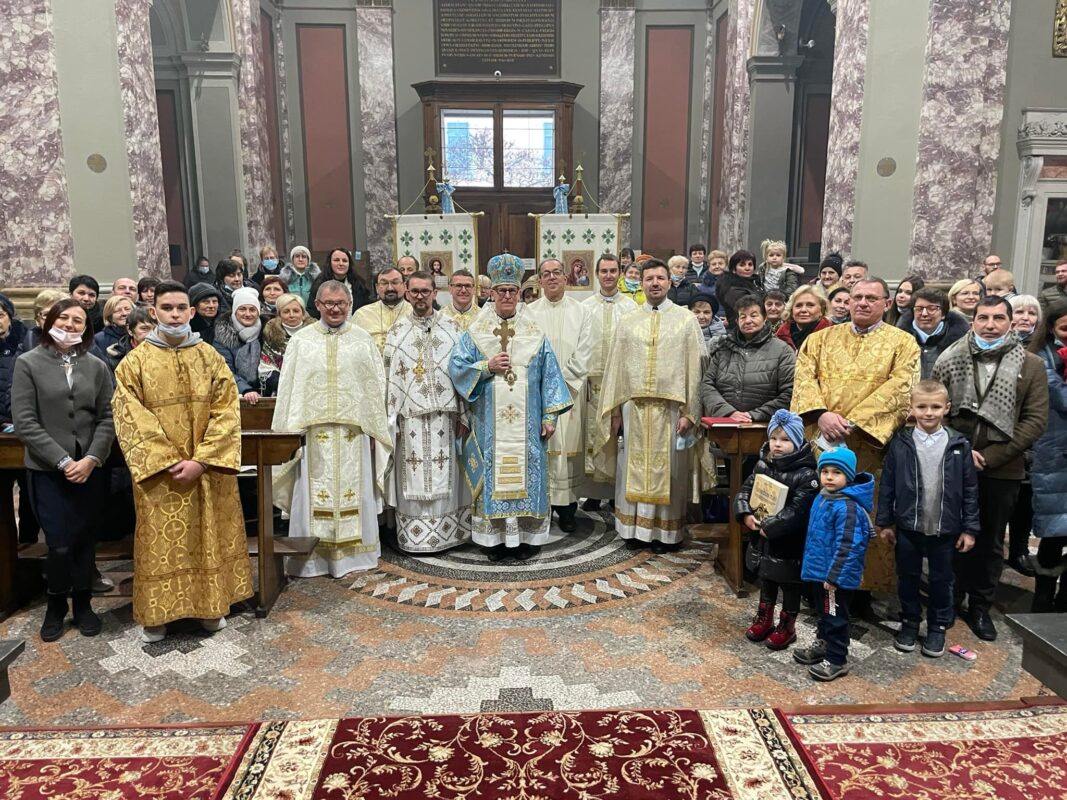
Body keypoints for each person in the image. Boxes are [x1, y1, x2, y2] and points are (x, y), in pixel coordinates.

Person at [112, 281, 253, 642]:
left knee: (209, 535)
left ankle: (211, 607)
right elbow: (130, 416)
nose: (174, 314)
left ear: (191, 313)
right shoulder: (135, 363)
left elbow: (227, 410)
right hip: (161, 473)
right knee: (162, 544)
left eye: (180, 308)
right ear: (154, 311)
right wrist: (168, 459)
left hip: (207, 470)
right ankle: (157, 616)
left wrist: (202, 460)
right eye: (167, 308)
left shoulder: (210, 357)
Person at [791, 278, 921, 595]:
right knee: (820, 513)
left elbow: (901, 388)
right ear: (847, 302)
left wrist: (853, 422)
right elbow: (804, 379)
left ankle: (861, 591)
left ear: (886, 304)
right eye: (857, 297)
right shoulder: (819, 340)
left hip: (868, 447)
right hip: (822, 443)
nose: (862, 303)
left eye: (871, 298)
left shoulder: (903, 343)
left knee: (864, 518)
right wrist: (821, 414)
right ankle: (815, 582)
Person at [932, 296, 1048, 641]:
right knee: (951, 535)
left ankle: (980, 606)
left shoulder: (1031, 365)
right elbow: (936, 411)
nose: (991, 324)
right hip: (954, 463)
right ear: (973, 321)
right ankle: (950, 601)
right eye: (983, 317)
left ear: (1011, 323)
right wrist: (962, 450)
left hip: (1003, 468)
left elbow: (1035, 420)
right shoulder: (949, 358)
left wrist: (992, 456)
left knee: (990, 541)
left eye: (999, 318)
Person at [448, 254, 572, 561]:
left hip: (528, 428)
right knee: (492, 477)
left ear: (519, 294)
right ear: (491, 293)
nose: (506, 296)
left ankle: (528, 538)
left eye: (511, 291)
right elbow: (456, 367)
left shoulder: (534, 332)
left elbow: (551, 377)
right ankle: (496, 542)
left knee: (528, 477)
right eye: (500, 290)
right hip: (489, 425)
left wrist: (549, 415)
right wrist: (486, 366)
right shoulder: (475, 332)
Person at [272, 280, 392, 576]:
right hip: (312, 436)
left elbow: (376, 388)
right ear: (318, 305)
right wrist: (288, 431)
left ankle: (354, 558)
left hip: (354, 434)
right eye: (329, 303)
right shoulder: (301, 341)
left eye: (341, 303)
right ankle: (312, 559)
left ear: (349, 305)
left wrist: (376, 428)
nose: (335, 308)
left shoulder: (363, 340)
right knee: (311, 495)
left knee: (355, 492)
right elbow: (289, 389)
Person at [12, 299, 114, 641]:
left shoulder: (96, 366)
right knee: (58, 545)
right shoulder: (28, 363)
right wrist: (63, 461)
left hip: (89, 468)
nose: (70, 325)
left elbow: (107, 418)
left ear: (87, 328)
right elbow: (25, 421)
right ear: (49, 321)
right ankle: (55, 605)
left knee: (85, 542)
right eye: (64, 318)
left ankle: (83, 605)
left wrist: (91, 459)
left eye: (78, 321)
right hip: (48, 470)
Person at [595, 258, 704, 552]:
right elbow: (615, 368)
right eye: (649, 279)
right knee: (632, 467)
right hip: (634, 408)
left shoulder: (686, 320)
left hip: (671, 411)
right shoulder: (628, 321)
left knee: (669, 471)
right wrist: (616, 410)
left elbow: (696, 369)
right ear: (640, 284)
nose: (654, 283)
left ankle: (664, 534)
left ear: (669, 282)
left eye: (660, 278)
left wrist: (690, 411)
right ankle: (632, 530)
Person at [877, 380, 979, 658]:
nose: (929, 413)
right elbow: (888, 483)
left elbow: (970, 489)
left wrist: (969, 528)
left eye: (935, 407)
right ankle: (910, 622)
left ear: (947, 408)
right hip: (909, 526)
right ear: (912, 409)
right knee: (907, 577)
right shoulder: (902, 443)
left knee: (941, 580)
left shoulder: (958, 444)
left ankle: (937, 627)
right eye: (922, 407)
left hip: (945, 528)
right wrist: (885, 522)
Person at [379, 272, 471, 553]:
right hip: (410, 421)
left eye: (426, 291)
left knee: (448, 473)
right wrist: (390, 418)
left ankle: (452, 533)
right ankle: (415, 537)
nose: (420, 296)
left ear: (435, 293)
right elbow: (388, 376)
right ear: (407, 292)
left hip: (446, 417)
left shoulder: (453, 329)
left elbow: (464, 372)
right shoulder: (397, 332)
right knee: (414, 475)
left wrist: (464, 413)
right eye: (415, 291)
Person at [736, 410, 818, 651]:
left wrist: (770, 527)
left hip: (788, 542)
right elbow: (745, 491)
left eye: (785, 440)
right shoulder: (762, 464)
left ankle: (787, 626)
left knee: (789, 585)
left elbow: (797, 510)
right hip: (762, 539)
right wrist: (745, 515)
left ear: (798, 441)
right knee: (767, 580)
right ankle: (764, 618)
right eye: (774, 438)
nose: (778, 445)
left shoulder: (806, 474)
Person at [793, 446, 874, 681]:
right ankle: (823, 645)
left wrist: (834, 576)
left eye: (836, 473)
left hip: (835, 576)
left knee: (835, 616)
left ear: (848, 477)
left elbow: (849, 545)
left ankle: (837, 659)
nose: (829, 477)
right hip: (821, 572)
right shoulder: (823, 498)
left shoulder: (847, 507)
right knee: (823, 612)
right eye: (825, 471)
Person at [527, 259, 593, 532]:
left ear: (565, 278)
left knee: (568, 451)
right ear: (540, 281)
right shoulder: (528, 313)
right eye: (546, 274)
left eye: (556, 273)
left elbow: (585, 350)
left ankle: (567, 510)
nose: (552, 278)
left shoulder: (582, 311)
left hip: (569, 394)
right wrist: (540, 387)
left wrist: (560, 386)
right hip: (537, 394)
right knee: (542, 449)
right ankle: (543, 508)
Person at [580, 254, 638, 510]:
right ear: (596, 273)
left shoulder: (631, 309)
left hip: (620, 385)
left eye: (613, 270)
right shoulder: (584, 308)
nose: (608, 275)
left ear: (620, 273)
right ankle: (593, 493)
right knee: (592, 438)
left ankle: (615, 494)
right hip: (591, 385)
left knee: (617, 439)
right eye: (603, 271)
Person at [701, 294, 794, 422]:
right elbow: (707, 385)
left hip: (767, 427)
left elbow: (790, 392)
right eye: (742, 317)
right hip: (725, 426)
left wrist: (753, 415)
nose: (748, 320)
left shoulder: (783, 350)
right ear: (737, 321)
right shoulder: (723, 348)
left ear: (765, 318)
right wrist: (728, 412)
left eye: (754, 315)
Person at [1029, 302, 1067, 612]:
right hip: (1055, 451)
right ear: (1052, 328)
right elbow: (1059, 396)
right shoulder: (1043, 357)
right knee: (1054, 530)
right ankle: (1042, 594)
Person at [0, 292, 38, 548]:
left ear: (10, 317)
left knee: (30, 493)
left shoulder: (26, 345)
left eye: (0, 315)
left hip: (23, 428)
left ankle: (29, 542)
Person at [896, 287, 969, 379]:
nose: (924, 314)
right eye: (919, 309)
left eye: (932, 308)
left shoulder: (960, 344)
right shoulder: (897, 341)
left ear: (943, 314)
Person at [213, 287, 263, 403]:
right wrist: (245, 390)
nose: (247, 314)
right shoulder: (223, 336)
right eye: (242, 309)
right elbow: (224, 369)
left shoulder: (267, 331)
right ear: (235, 311)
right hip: (235, 394)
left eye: (252, 309)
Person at [259, 293, 312, 397]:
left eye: (296, 311)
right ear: (279, 315)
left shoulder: (313, 334)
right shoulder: (271, 335)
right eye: (286, 311)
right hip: (280, 389)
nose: (291, 315)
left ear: (303, 313)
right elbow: (266, 368)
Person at [353, 266, 413, 353]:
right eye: (384, 283)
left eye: (395, 282)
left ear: (404, 286)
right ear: (377, 288)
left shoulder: (416, 313)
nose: (390, 288)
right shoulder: (362, 315)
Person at [309, 247, 370, 317]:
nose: (341, 264)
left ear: (349, 264)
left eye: (344, 261)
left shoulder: (359, 284)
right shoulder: (319, 283)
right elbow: (312, 310)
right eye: (336, 260)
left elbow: (365, 309)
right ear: (330, 263)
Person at [776, 286, 831, 352]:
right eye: (798, 305)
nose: (803, 310)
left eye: (810, 305)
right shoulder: (780, 337)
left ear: (822, 310)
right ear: (791, 310)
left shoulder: (832, 336)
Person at [716, 250, 763, 326]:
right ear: (734, 269)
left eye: (750, 264)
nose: (747, 268)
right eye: (742, 265)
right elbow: (750, 309)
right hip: (742, 329)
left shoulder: (756, 282)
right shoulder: (733, 290)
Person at [104, 305, 154, 372]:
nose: (152, 334)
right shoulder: (115, 356)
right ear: (130, 330)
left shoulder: (169, 353)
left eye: (157, 329)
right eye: (144, 328)